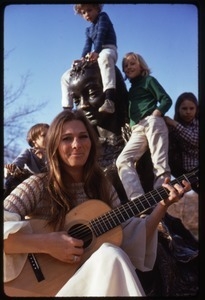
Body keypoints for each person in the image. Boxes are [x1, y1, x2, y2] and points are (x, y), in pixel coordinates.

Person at [4, 109, 190, 297]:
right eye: (67, 138)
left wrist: (163, 205)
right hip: (46, 288)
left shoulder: (103, 187)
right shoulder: (37, 185)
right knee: (110, 255)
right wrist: (47, 243)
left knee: (111, 253)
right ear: (54, 145)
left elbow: (131, 234)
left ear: (91, 143)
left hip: (93, 284)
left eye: (83, 136)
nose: (77, 145)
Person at [116, 52, 172, 200]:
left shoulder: (149, 80)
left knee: (159, 163)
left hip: (152, 121)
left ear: (141, 65)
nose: (128, 67)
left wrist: (157, 113)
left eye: (132, 63)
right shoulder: (131, 90)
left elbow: (166, 99)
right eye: (125, 65)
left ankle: (160, 202)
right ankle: (138, 202)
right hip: (137, 129)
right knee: (122, 160)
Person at [70, 3, 117, 113]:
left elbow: (101, 34)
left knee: (104, 58)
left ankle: (109, 100)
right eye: (84, 13)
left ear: (97, 8)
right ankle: (67, 108)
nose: (87, 14)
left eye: (89, 10)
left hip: (107, 49)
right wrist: (82, 59)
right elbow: (87, 45)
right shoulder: (88, 30)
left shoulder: (103, 17)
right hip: (95, 52)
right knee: (70, 72)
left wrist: (96, 51)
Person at [164, 92, 199, 193]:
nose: (188, 112)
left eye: (191, 108)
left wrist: (174, 124)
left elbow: (195, 140)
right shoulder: (173, 129)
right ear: (178, 109)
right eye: (184, 109)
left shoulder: (197, 124)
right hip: (187, 175)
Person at [4, 123, 49, 197]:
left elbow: (53, 170)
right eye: (44, 135)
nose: (48, 138)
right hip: (30, 180)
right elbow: (19, 161)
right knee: (12, 179)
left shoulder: (52, 153)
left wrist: (44, 158)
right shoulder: (29, 152)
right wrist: (13, 167)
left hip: (47, 182)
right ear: (34, 140)